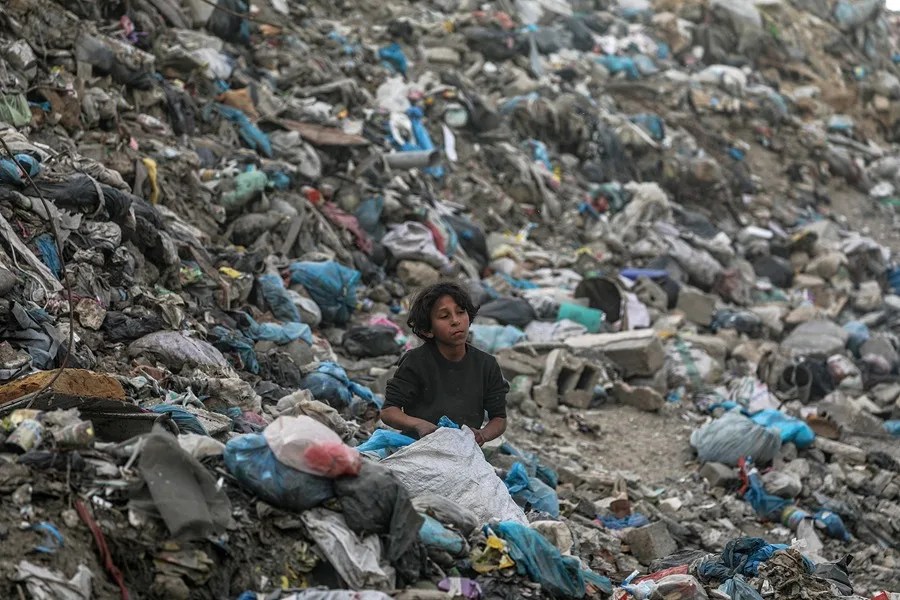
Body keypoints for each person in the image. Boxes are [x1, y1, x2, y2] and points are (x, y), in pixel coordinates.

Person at [382, 281, 509, 446]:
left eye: (461, 312)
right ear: (428, 329)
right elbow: (388, 411)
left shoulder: (486, 365)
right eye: (444, 316)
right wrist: (419, 425)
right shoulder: (416, 362)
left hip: (463, 450)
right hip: (417, 447)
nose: (456, 321)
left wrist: (482, 435)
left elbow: (499, 418)